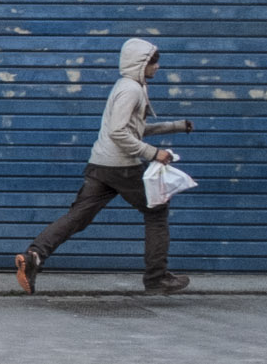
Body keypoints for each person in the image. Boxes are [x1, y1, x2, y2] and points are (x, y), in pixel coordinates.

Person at [15, 37, 195, 295]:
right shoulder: (131, 90)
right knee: (156, 212)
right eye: (153, 61)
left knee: (78, 216)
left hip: (101, 164)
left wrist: (176, 126)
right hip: (121, 166)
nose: (157, 67)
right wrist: (154, 153)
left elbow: (135, 129)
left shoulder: (127, 86)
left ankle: (34, 255)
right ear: (140, 63)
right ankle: (157, 279)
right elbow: (119, 133)